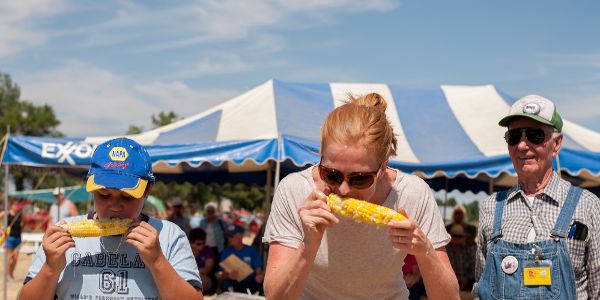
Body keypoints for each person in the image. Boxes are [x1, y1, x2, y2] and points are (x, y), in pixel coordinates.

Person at [262, 93, 459, 299]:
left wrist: (424, 251)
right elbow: (275, 296)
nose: (344, 190)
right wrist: (308, 244)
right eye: (331, 174)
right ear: (320, 157)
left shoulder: (412, 194)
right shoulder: (295, 190)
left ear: (383, 167)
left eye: (360, 179)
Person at [19, 137, 203, 299]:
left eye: (127, 196)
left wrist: (157, 262)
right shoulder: (63, 234)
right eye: (104, 195)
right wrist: (51, 268)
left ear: (147, 190)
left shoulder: (168, 235)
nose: (114, 205)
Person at [474, 95, 600, 299]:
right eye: (514, 136)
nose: (523, 145)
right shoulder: (492, 206)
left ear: (556, 144)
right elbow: (482, 287)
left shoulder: (588, 206)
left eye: (535, 135)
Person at [219, 224, 264, 295]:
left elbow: (258, 270)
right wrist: (228, 276)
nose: (229, 239)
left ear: (240, 236)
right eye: (228, 237)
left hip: (249, 282)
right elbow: (222, 275)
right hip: (233, 282)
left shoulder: (251, 250)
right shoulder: (226, 252)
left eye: (232, 236)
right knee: (225, 284)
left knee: (259, 285)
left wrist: (259, 276)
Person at [446, 205, 476, 292]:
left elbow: (473, 267)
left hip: (466, 281)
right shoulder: (446, 250)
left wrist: (466, 279)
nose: (458, 216)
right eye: (456, 213)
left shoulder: (468, 250)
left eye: (460, 214)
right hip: (449, 281)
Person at [0, 200, 26, 280]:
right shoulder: (6, 213)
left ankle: (11, 274)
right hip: (9, 237)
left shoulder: (20, 214)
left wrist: (22, 228)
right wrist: (1, 229)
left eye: (17, 205)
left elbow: (23, 223)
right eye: (15, 204)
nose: (16, 206)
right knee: (9, 257)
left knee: (15, 259)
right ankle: (8, 275)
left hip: (18, 237)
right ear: (11, 205)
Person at [188, 227, 216, 295]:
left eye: (204, 243)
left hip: (206, 277)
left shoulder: (207, 250)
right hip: (189, 277)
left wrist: (190, 271)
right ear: (190, 243)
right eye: (198, 244)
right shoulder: (185, 251)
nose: (202, 245)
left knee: (198, 282)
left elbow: (208, 269)